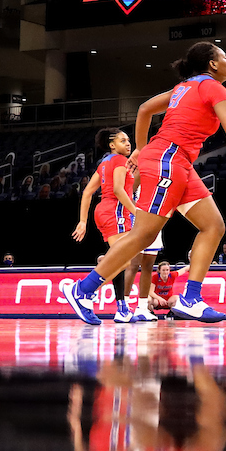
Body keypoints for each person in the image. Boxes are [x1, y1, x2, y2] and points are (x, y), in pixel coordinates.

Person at [62, 42, 226, 325]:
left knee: (213, 226)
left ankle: (191, 298)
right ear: (212, 65)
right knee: (143, 236)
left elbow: (145, 109)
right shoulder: (213, 87)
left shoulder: (184, 87)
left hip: (177, 161)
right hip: (168, 160)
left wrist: (139, 148)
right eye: (224, 57)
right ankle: (83, 289)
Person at [72, 128, 154, 323]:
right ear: (111, 145)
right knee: (123, 261)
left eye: (128, 140)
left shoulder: (104, 163)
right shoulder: (118, 161)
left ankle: (122, 307)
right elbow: (118, 190)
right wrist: (136, 212)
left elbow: (87, 193)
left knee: (119, 260)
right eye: (122, 140)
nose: (128, 143)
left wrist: (83, 221)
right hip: (115, 212)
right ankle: (83, 291)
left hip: (105, 211)